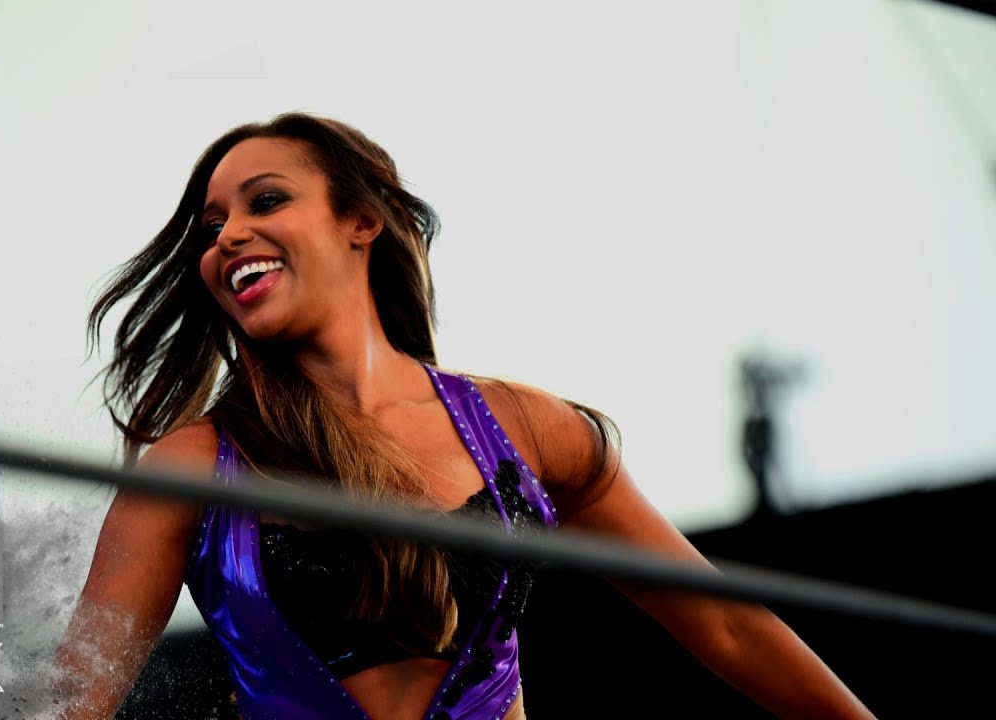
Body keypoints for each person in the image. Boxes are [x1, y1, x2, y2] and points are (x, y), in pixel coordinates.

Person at [48, 112, 874, 719]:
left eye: (266, 201)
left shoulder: (524, 429)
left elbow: (728, 627)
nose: (229, 236)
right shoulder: (194, 466)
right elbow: (74, 702)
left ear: (361, 221)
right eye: (212, 227)